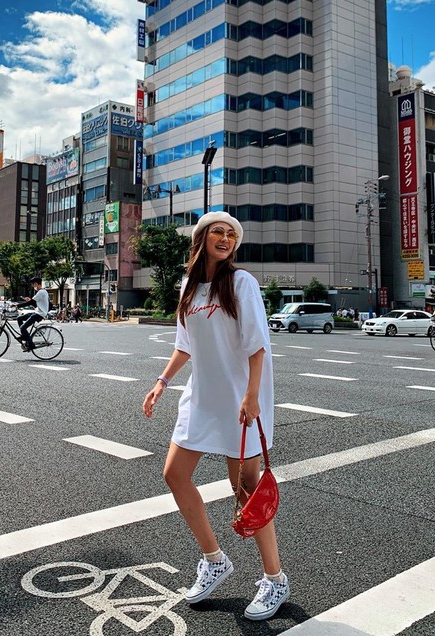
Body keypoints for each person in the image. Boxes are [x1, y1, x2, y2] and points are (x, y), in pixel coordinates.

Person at [142, 211, 289, 621]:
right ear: (202, 238)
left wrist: (252, 396)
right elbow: (184, 344)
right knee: (175, 474)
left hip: (241, 399)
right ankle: (214, 559)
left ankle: (275, 579)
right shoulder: (190, 285)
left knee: (245, 489)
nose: (225, 239)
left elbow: (258, 345)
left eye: (231, 235)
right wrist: (161, 382)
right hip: (202, 396)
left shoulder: (241, 283)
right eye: (218, 232)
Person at [17, 277, 49, 351]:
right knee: (19, 318)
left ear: (36, 284)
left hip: (39, 314)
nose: (33, 286)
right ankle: (24, 336)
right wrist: (30, 300)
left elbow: (31, 303)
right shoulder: (42, 292)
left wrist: (17, 305)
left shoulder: (41, 292)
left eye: (33, 285)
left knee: (22, 327)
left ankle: (30, 344)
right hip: (37, 312)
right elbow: (34, 304)